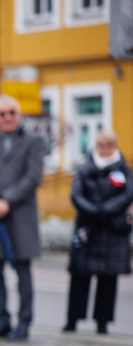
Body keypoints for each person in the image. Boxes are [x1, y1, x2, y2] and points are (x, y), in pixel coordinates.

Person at [0, 94, 47, 341]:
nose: (7, 117)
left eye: (12, 112)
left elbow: (33, 177)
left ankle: (24, 321)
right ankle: (2, 319)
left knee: (22, 270)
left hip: (20, 215)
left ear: (19, 114)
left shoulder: (34, 141)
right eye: (2, 113)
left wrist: (6, 200)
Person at [65, 130, 133, 335]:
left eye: (109, 146)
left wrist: (108, 210)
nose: (105, 150)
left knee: (108, 278)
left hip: (112, 229)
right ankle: (73, 319)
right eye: (101, 146)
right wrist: (94, 211)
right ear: (96, 146)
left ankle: (102, 322)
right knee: (79, 276)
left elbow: (128, 193)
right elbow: (76, 194)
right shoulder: (85, 167)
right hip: (89, 227)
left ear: (114, 147)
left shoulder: (123, 169)